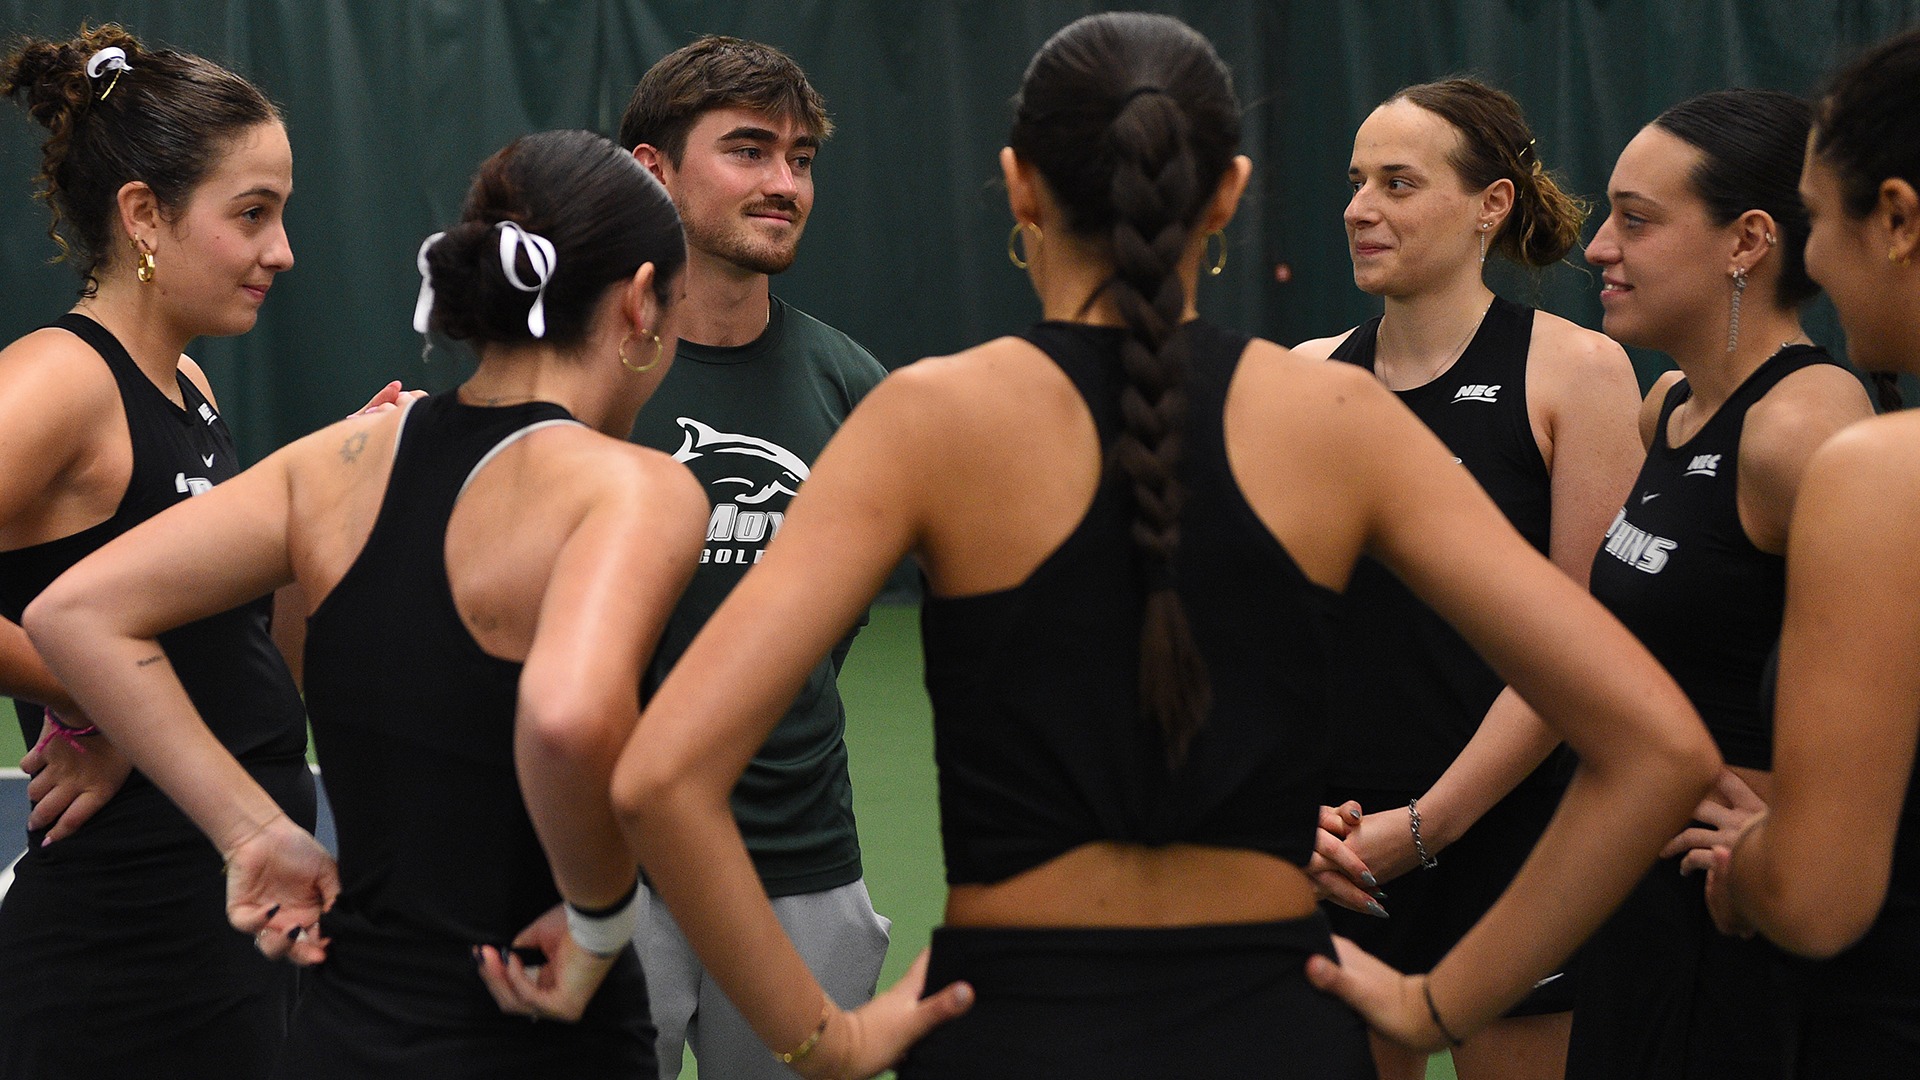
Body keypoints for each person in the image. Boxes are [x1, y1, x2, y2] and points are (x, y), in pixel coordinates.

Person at [611, 12, 1718, 1079]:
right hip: (1271, 1022)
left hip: (1018, 1025)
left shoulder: (930, 420)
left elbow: (663, 774)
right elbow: (1656, 747)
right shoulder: (1335, 418)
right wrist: (1440, 1001)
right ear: (1228, 193)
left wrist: (825, 1039)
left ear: (1020, 187)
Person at [24, 129, 703, 1077]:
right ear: (640, 303)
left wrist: (248, 831)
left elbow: (74, 612)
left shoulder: (335, 465)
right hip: (535, 1036)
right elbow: (566, 719)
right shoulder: (635, 487)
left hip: (345, 1027)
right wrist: (600, 920)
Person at [1293, 77, 1643, 1080]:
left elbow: (1579, 652)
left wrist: (1426, 828)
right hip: (1340, 853)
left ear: (1491, 204)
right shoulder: (1302, 374)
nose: (1361, 208)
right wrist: (1295, 815)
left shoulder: (1577, 373)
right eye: (1356, 182)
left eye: (1398, 183)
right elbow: (1267, 634)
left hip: (1516, 843)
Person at [0, 26, 323, 1078]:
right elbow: (123, 657)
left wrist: (329, 492)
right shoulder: (60, 380)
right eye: (252, 214)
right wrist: (98, 702)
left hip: (223, 907)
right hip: (121, 937)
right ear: (144, 215)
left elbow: (231, 650)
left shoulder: (190, 384)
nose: (282, 251)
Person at [1564, 89, 1876, 1080]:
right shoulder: (1666, 406)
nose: (1598, 248)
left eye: (1636, 220)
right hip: (1638, 912)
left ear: (1747, 242)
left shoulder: (1805, 429)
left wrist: (1783, 835)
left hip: (1740, 933)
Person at [616, 35, 892, 1080]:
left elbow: (835, 622)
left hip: (802, 864)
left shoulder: (853, 386)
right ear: (653, 170)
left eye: (801, 158)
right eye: (748, 151)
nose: (784, 183)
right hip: (604, 869)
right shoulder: (581, 378)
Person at [1700, 26, 1920, 1078]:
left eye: (1818, 218)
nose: (1816, 260)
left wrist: (1748, 862)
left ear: (1898, 219)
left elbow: (1817, 897)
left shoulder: (1880, 476)